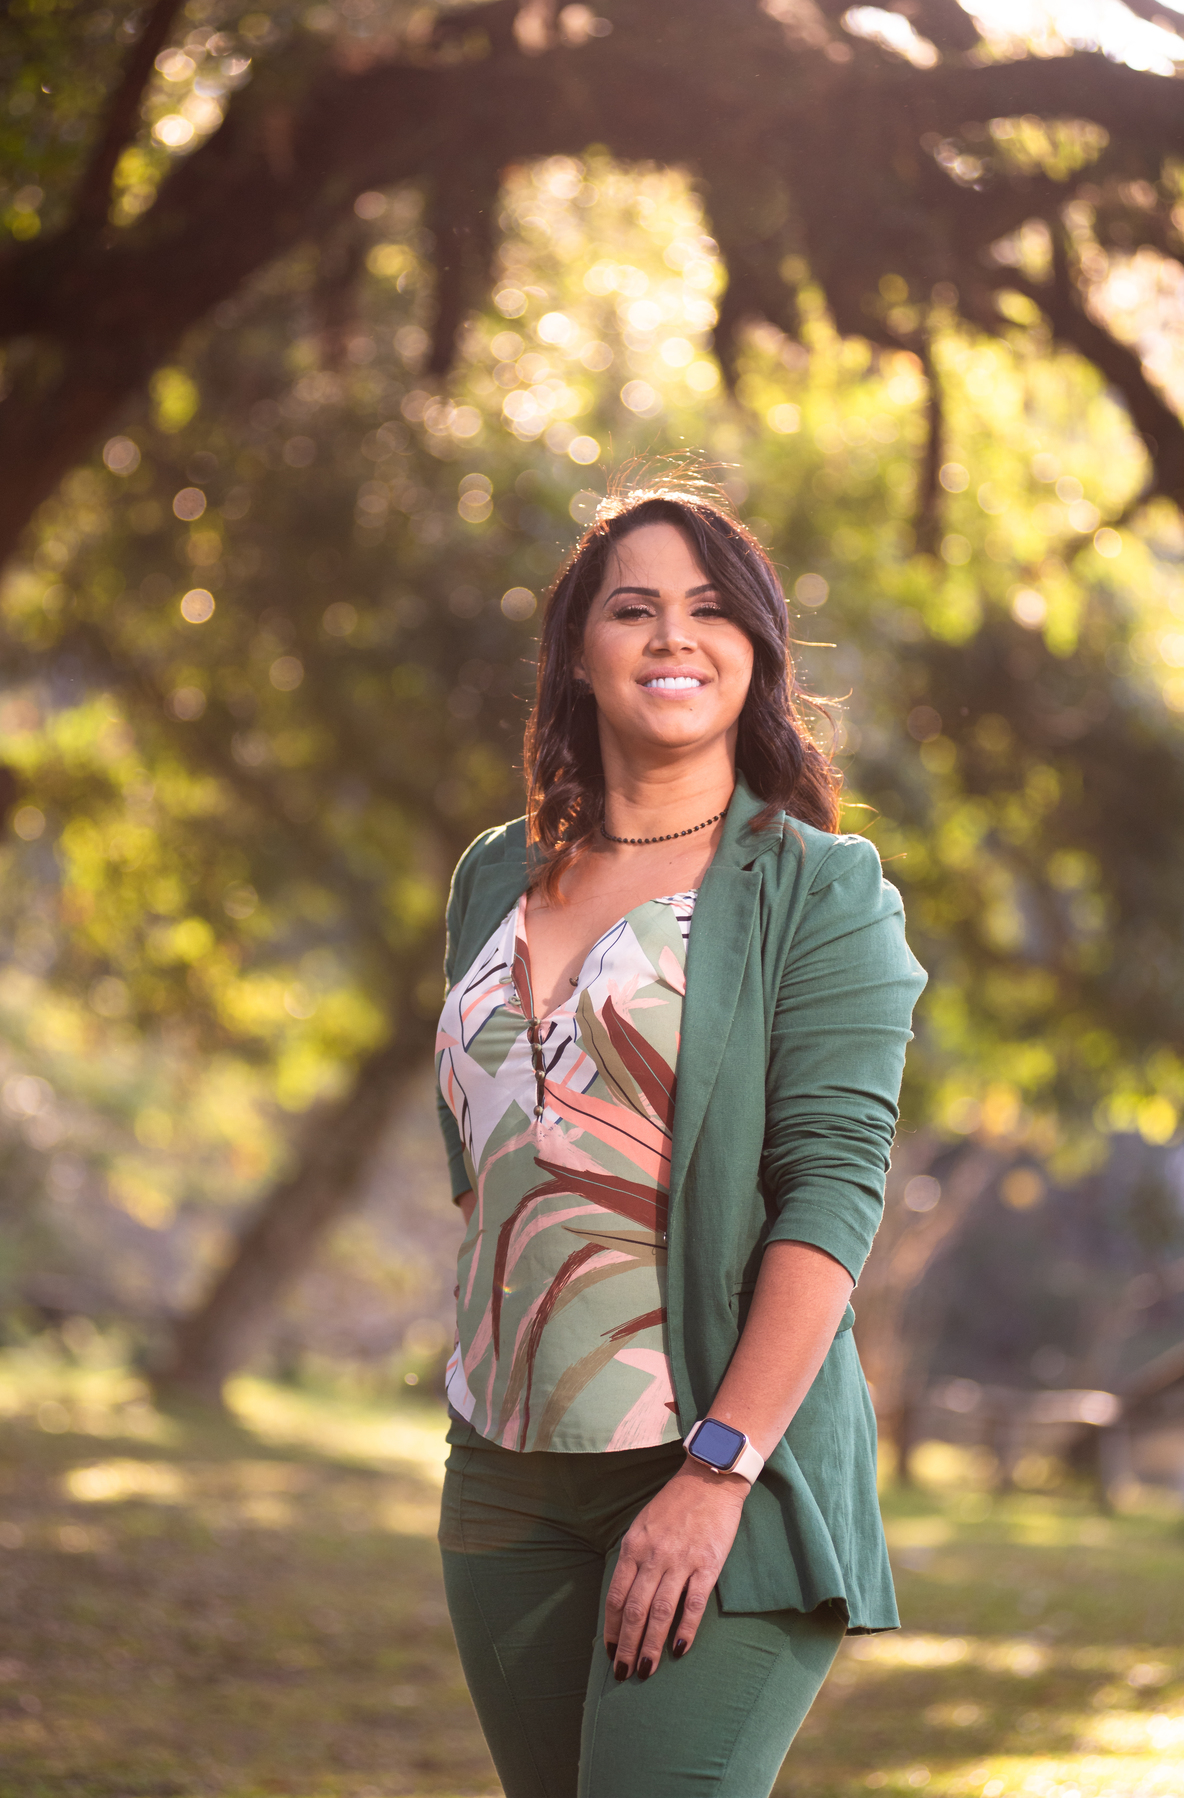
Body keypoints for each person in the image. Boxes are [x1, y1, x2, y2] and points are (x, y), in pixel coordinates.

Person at [434, 481, 926, 1798]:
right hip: (505, 1476)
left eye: (711, 610)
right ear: (576, 652)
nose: (673, 636)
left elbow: (832, 1191)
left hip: (719, 1462)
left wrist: (720, 1466)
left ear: (756, 651)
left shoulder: (818, 887)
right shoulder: (494, 873)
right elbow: (492, 1164)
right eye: (634, 608)